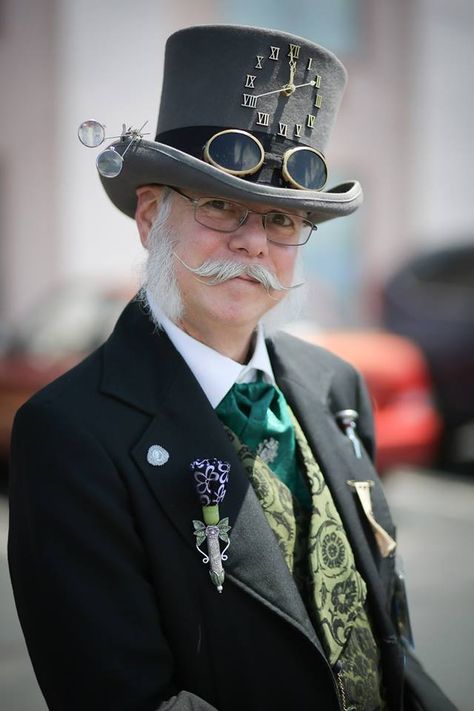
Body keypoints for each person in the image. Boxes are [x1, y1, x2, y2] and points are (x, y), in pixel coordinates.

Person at [8, 24, 454, 711]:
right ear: (151, 216)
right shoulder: (68, 434)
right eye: (221, 204)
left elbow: (385, 635)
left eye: (282, 218)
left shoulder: (337, 384)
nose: (252, 241)